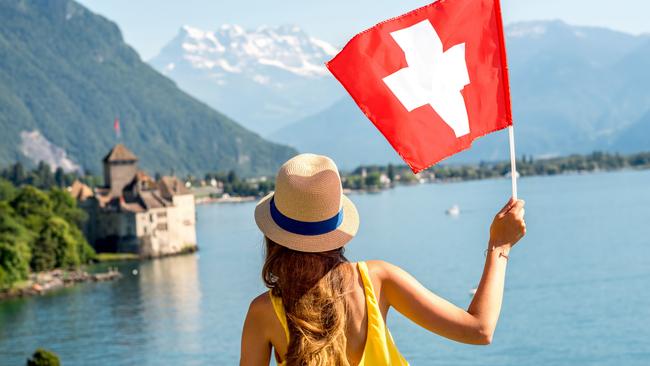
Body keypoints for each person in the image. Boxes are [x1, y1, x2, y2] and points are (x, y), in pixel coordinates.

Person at [240, 154, 526, 366]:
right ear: (337, 229)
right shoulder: (377, 280)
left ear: (274, 235)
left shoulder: (262, 314)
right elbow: (479, 329)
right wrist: (500, 245)